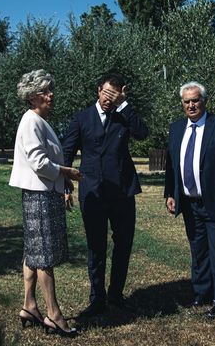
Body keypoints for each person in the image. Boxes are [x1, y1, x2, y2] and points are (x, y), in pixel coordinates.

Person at [62, 73, 149, 316]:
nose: (108, 99)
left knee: (123, 245)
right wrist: (65, 186)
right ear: (98, 90)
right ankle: (97, 299)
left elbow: (143, 133)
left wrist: (124, 105)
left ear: (121, 93)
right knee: (96, 246)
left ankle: (116, 295)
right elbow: (66, 153)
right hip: (92, 193)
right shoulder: (81, 118)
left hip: (123, 191)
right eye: (106, 93)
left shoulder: (124, 116)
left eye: (114, 95)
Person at [164, 81, 215, 317]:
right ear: (182, 104)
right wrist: (170, 193)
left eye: (195, 100)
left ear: (204, 101)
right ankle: (202, 293)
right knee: (198, 251)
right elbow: (172, 165)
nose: (191, 105)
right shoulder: (176, 128)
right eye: (186, 102)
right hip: (190, 204)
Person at [9, 69, 82, 337]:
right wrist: (67, 172)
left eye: (51, 90)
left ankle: (29, 305)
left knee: (33, 252)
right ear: (31, 97)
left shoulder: (39, 120)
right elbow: (39, 163)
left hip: (43, 193)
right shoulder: (31, 122)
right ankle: (54, 314)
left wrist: (63, 183)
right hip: (39, 196)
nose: (50, 95)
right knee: (44, 257)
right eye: (44, 91)